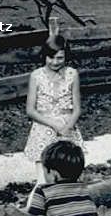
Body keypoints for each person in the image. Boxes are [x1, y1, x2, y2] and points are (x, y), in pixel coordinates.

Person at [23, 35, 85, 184]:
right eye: (51, 58)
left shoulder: (72, 74)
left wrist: (67, 127)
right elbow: (30, 110)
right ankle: (37, 206)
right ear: (44, 56)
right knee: (43, 181)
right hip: (44, 128)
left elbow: (77, 109)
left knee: (70, 177)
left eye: (60, 58)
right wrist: (53, 124)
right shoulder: (36, 76)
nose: (55, 62)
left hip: (67, 128)